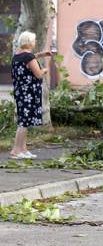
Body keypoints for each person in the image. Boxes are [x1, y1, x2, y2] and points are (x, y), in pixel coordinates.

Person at [10, 31, 52, 159]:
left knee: (24, 120)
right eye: (33, 41)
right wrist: (45, 69)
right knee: (24, 122)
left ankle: (23, 149)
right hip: (29, 92)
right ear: (28, 42)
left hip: (20, 91)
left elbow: (29, 58)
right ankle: (16, 150)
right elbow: (38, 74)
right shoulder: (29, 57)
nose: (35, 43)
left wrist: (40, 55)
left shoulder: (17, 55)